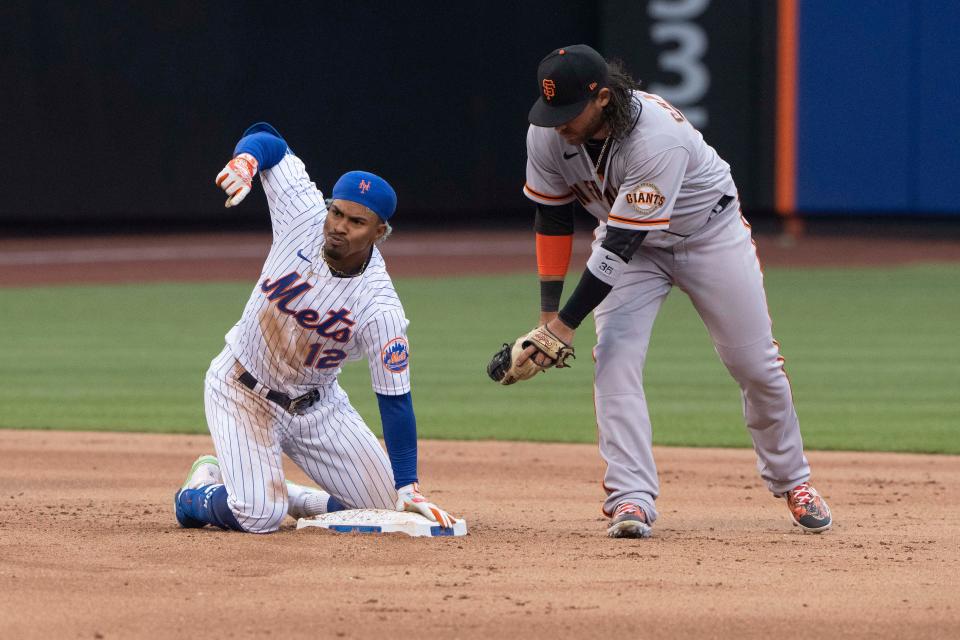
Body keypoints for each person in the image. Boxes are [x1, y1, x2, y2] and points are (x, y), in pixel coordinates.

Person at [516, 45, 831, 538]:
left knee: (755, 365)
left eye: (568, 111)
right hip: (632, 248)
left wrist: (563, 327)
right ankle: (631, 499)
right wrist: (547, 317)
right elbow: (552, 215)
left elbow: (618, 245)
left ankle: (795, 482)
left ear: (601, 98)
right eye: (549, 110)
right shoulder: (548, 133)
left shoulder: (656, 138)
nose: (557, 123)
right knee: (615, 356)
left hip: (708, 235)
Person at [174, 122, 457, 533]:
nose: (338, 226)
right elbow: (268, 138)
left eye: (356, 222)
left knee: (391, 508)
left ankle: (290, 495)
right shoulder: (303, 214)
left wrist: (408, 485)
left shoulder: (379, 305)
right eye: (336, 212)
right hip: (241, 388)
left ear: (380, 233)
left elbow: (395, 400)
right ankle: (198, 492)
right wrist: (247, 160)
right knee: (257, 516)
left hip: (318, 409)